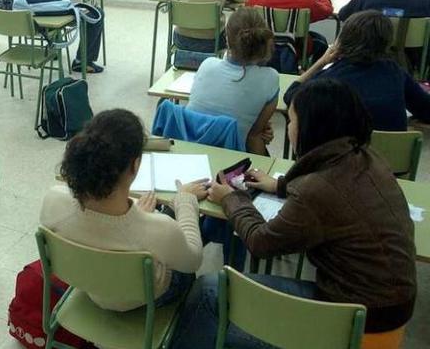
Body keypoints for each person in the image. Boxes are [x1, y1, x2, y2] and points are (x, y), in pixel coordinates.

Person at [171, 79, 417, 348]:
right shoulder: (367, 157)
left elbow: (260, 242)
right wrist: (279, 185)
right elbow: (334, 192)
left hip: (356, 322)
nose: (287, 129)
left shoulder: (316, 191)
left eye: (290, 121)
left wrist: (232, 198)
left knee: (207, 291)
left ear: (311, 128)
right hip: (389, 309)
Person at [40, 109, 209, 311]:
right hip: (143, 301)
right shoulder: (161, 229)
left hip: (89, 286)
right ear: (135, 165)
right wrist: (186, 200)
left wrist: (140, 216)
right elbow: (193, 261)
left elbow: (108, 228)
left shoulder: (53, 200)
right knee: (185, 271)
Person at [284, 9, 430, 131]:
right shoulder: (395, 71)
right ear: (386, 42)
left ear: (342, 40)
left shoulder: (330, 78)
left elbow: (291, 97)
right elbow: (425, 109)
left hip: (342, 160)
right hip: (388, 163)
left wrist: (321, 62)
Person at [188, 7, 279, 154]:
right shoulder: (270, 78)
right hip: (232, 163)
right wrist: (259, 129)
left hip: (190, 150)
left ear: (226, 39)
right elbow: (253, 137)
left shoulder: (207, 64)